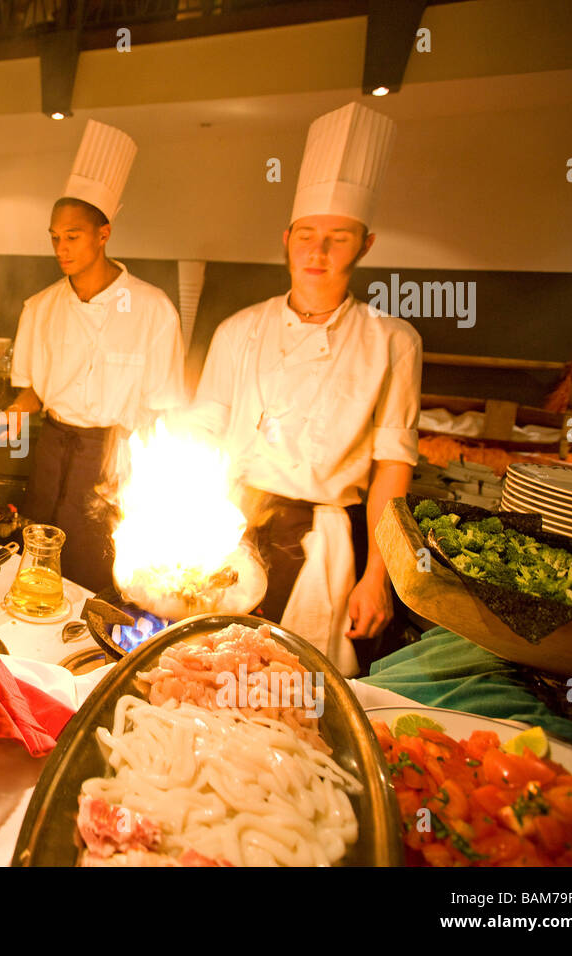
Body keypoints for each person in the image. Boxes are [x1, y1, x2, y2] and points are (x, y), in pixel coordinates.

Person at [188, 102, 421, 676]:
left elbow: (392, 469)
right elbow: (203, 432)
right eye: (307, 236)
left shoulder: (392, 341)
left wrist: (377, 578)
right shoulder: (238, 329)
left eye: (338, 239)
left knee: (296, 686)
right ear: (286, 238)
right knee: (211, 672)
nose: (318, 253)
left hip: (322, 543)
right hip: (230, 526)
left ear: (365, 244)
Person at [6, 121, 186, 594]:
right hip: (51, 451)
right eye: (54, 238)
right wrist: (0, 420)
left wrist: (149, 481)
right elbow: (33, 393)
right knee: (35, 561)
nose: (61, 249)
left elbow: (164, 411)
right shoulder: (39, 307)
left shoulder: (153, 309)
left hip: (113, 458)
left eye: (73, 237)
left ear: (103, 234)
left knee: (95, 572)